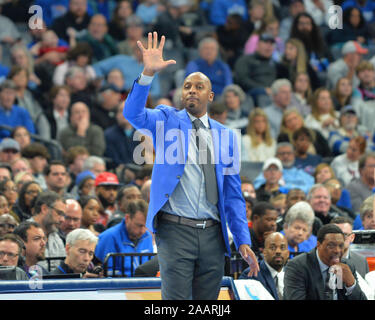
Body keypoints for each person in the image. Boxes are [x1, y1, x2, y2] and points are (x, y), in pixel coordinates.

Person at [123, 32, 259, 300]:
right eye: (187, 86)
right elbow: (133, 114)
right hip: (175, 230)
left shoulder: (227, 137)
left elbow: (233, 196)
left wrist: (243, 240)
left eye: (198, 87)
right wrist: (147, 74)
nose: (192, 91)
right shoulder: (166, 119)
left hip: (213, 234)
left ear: (210, 95)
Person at [283, 224, 367, 300]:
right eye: (331, 245)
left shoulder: (347, 266)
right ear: (318, 245)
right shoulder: (298, 266)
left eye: (341, 245)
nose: (337, 250)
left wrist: (351, 285)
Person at [94, 199, 154, 277]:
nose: (143, 231)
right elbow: (105, 273)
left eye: (146, 226)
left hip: (146, 287)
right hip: (118, 287)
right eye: (139, 225)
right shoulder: (108, 237)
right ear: (127, 218)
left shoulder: (147, 237)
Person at [239, 232, 289, 299]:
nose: (278, 251)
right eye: (273, 247)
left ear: (288, 253)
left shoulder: (293, 274)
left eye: (282, 248)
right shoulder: (251, 274)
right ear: (264, 252)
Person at [234, 33, 277, 107]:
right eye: (266, 43)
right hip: (249, 94)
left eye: (271, 44)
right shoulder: (245, 60)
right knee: (262, 96)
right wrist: (262, 89)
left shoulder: (275, 64)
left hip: (272, 93)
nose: (269, 46)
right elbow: (242, 79)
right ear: (257, 45)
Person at [29, 191, 67, 270]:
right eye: (59, 213)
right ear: (44, 209)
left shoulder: (56, 236)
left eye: (63, 215)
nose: (63, 220)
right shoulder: (23, 232)